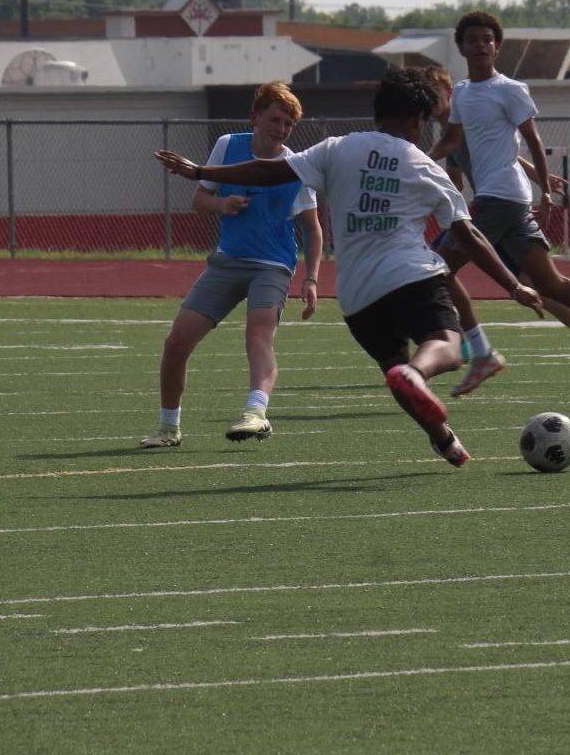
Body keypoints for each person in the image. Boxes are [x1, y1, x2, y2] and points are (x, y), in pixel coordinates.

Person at [155, 68, 544, 467]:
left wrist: (201, 172)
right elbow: (469, 236)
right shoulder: (424, 166)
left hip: (357, 297)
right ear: (416, 122)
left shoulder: (336, 148)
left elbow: (269, 171)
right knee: (445, 343)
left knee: (394, 368)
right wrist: (513, 285)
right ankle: (419, 373)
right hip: (411, 275)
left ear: (378, 111)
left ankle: (444, 440)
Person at [430, 10, 570, 389]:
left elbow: (531, 138)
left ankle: (479, 351)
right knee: (548, 282)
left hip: (502, 198)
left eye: (487, 39)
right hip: (502, 201)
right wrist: (416, 156)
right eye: (472, 40)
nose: (480, 45)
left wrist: (545, 190)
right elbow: (453, 141)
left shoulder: (510, 89)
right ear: (462, 48)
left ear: (497, 46)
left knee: (436, 266)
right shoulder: (464, 93)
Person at [141, 82, 323, 449]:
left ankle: (256, 412)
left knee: (258, 334)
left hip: (272, 265)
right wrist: (222, 205)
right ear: (255, 117)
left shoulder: (296, 166)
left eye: (288, 124)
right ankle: (168, 428)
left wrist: (312, 278)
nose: (281, 129)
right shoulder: (228, 145)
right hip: (226, 262)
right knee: (176, 343)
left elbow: (312, 228)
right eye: (275, 119)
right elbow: (200, 199)